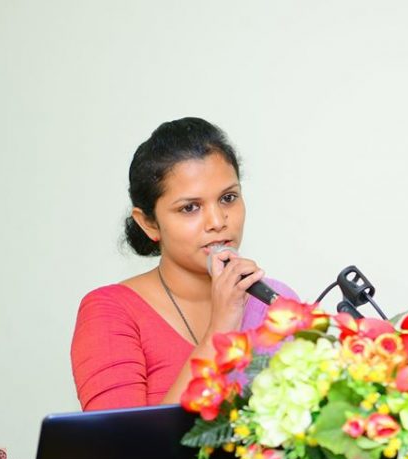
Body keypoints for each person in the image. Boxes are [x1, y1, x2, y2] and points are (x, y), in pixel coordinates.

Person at [70, 117, 298, 411]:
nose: (217, 222)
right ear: (149, 223)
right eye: (190, 208)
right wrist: (220, 328)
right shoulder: (110, 312)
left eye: (228, 198)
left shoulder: (276, 302)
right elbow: (121, 440)